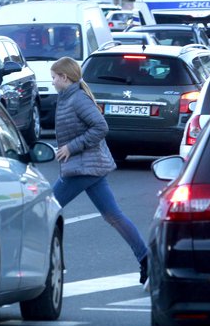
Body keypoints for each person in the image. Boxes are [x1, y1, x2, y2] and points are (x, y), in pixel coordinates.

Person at [50, 57, 150, 285]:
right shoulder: (68, 98)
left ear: (65, 77)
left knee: (47, 210)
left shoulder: (77, 99)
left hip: (83, 168)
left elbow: (101, 127)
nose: (53, 82)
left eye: (55, 78)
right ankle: (147, 259)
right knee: (113, 215)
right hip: (88, 166)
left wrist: (71, 147)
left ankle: (52, 265)